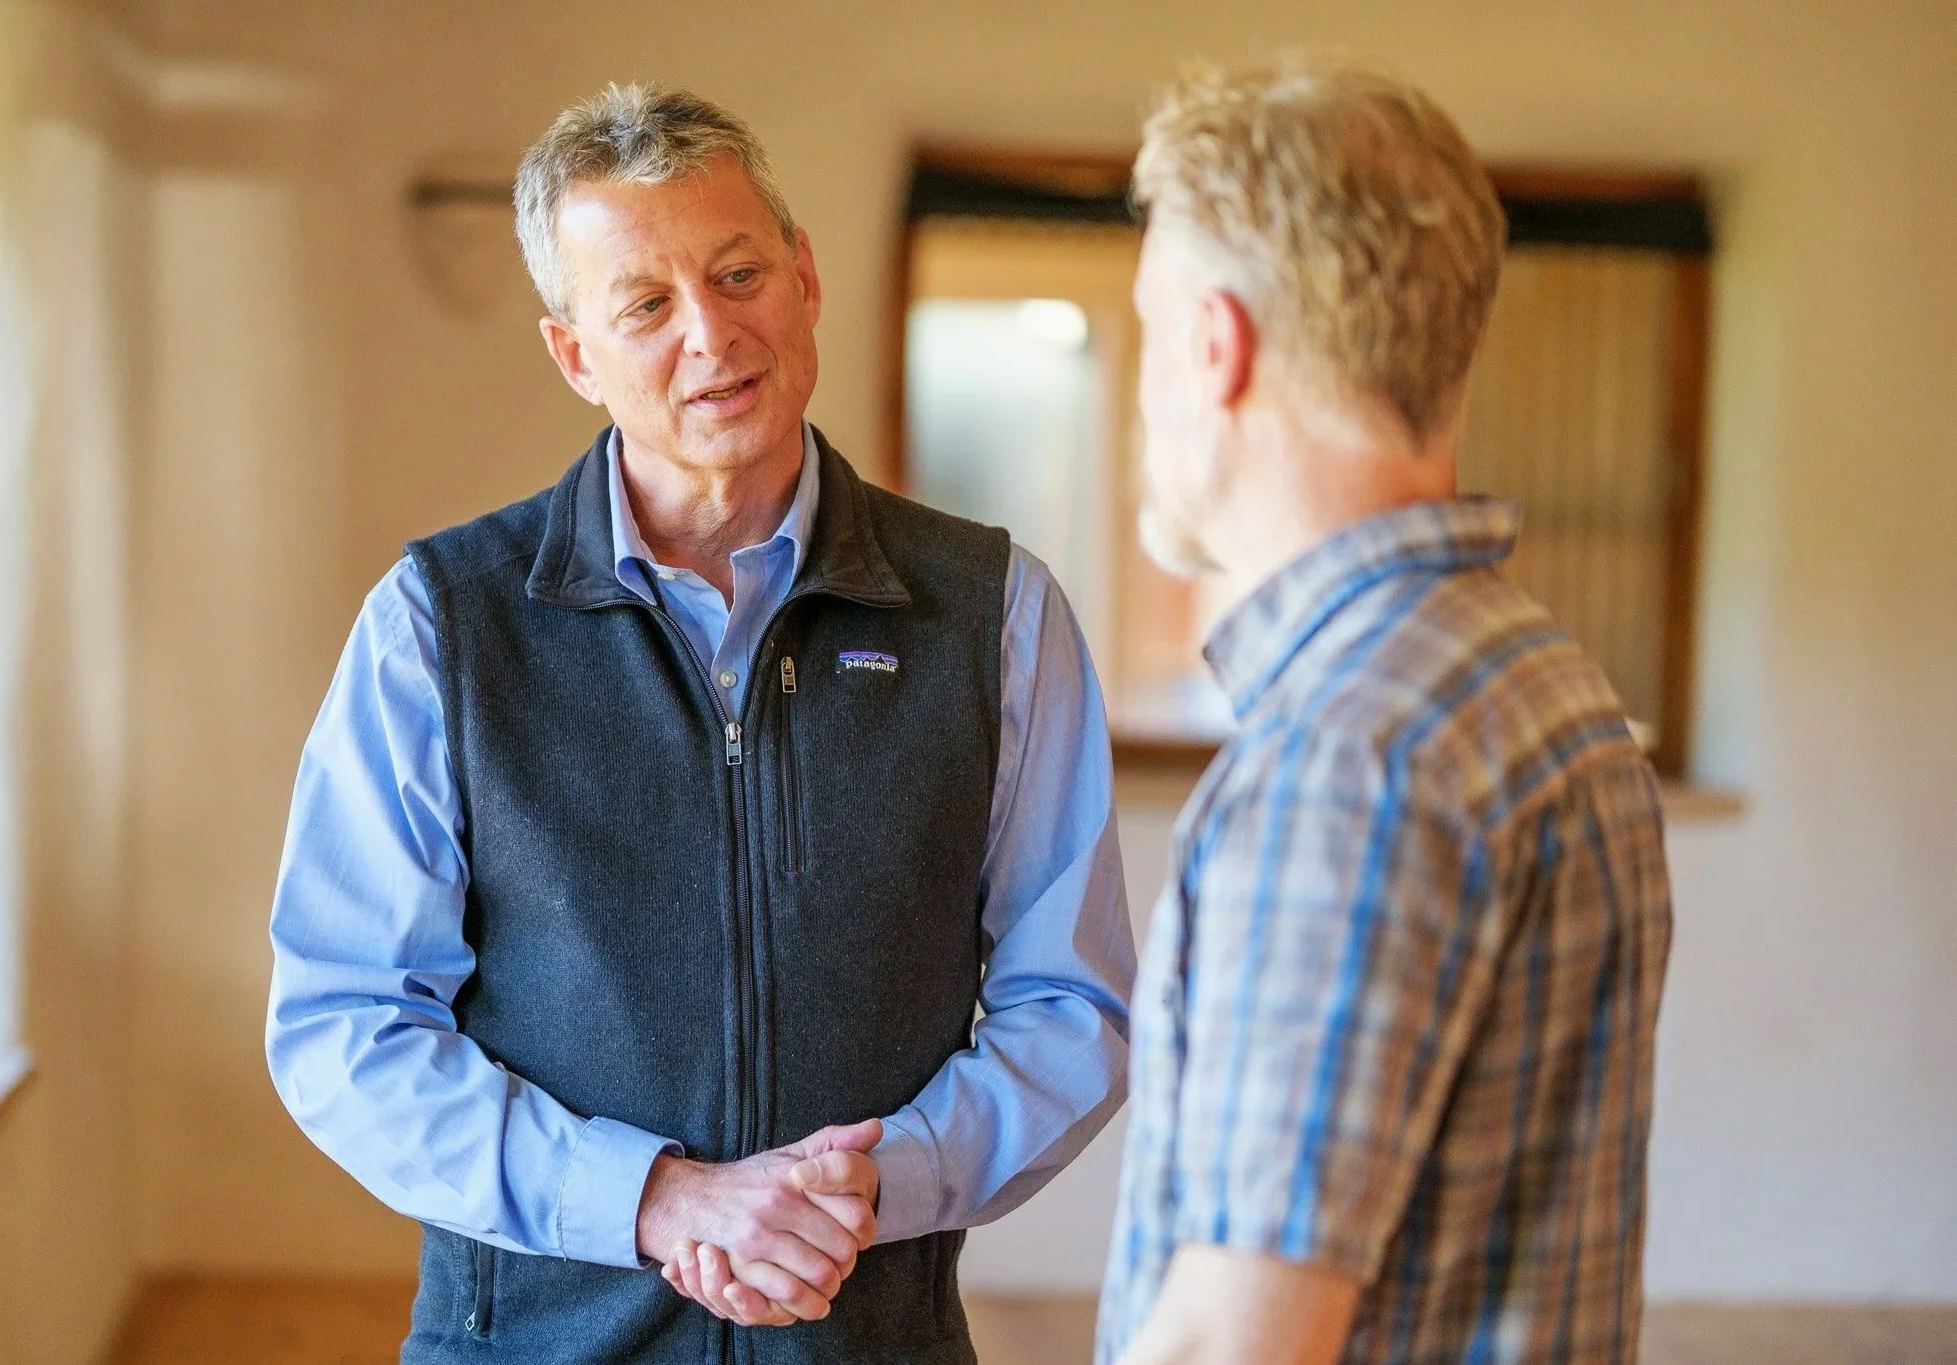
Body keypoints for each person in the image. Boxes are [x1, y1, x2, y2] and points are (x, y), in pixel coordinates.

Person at [265, 83, 1135, 1364]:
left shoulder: (993, 612)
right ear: (576, 355)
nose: (710, 334)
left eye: (738, 275)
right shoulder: (439, 622)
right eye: (644, 305)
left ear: (804, 279)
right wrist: (655, 1200)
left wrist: (870, 1185)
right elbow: (345, 1027)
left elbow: (1069, 1005)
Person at [1098, 61, 1674, 1364]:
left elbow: (1229, 1343)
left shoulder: (1348, 757)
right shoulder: (1544, 680)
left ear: (1214, 345)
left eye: (1149, 329)